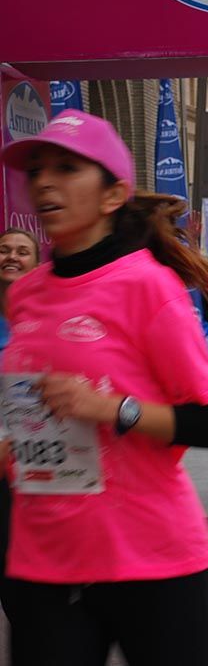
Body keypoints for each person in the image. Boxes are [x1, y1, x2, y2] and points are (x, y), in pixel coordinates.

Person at [0, 110, 208, 664]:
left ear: (112, 195)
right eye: (36, 170)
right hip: (42, 559)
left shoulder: (150, 287)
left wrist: (110, 407)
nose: (44, 182)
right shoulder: (26, 293)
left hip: (150, 559)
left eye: (66, 168)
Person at [0, 229, 40, 583]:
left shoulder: (47, 317)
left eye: (22, 251)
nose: (11, 256)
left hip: (33, 459)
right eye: (4, 250)